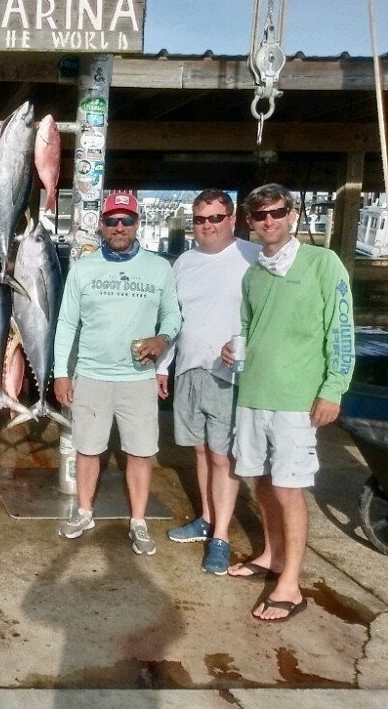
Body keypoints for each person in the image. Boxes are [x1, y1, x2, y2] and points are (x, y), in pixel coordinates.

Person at [222, 183, 354, 621]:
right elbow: (247, 329)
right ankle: (272, 555)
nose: (269, 221)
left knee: (288, 488)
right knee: (261, 482)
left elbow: (341, 330)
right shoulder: (253, 275)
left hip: (296, 399)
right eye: (260, 215)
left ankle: (291, 585)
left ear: (292, 214)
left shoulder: (323, 262)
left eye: (277, 212)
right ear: (250, 221)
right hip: (253, 395)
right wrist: (232, 350)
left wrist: (333, 388)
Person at [53, 192, 182, 555]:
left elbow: (173, 315)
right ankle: (84, 512)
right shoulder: (84, 268)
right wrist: (61, 373)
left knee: (140, 453)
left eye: (127, 220)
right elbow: (66, 323)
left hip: (138, 379)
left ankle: (138, 521)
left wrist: (162, 338)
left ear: (137, 223)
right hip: (91, 375)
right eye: (112, 221)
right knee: (87, 449)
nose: (119, 227)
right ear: (102, 225)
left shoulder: (159, 267)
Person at [155, 189, 259, 574]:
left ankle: (222, 537)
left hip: (228, 375)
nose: (207, 226)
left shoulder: (253, 256)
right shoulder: (184, 262)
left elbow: (267, 316)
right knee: (199, 452)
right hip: (189, 368)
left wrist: (248, 347)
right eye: (200, 219)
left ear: (232, 219)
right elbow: (174, 319)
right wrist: (162, 366)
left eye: (215, 218)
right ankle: (206, 518)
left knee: (221, 456)